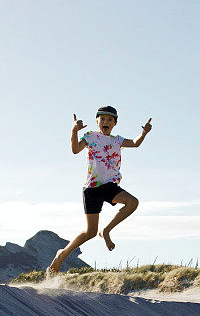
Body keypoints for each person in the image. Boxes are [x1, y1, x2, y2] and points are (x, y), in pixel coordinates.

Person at [47, 106, 152, 275]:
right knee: (90, 232)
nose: (106, 122)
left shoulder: (117, 140)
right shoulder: (90, 136)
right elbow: (75, 149)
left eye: (110, 120)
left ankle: (107, 230)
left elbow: (134, 143)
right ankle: (62, 254)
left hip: (110, 186)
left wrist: (145, 133)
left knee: (133, 202)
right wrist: (74, 130)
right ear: (97, 121)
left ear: (115, 123)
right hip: (92, 188)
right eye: (102, 119)